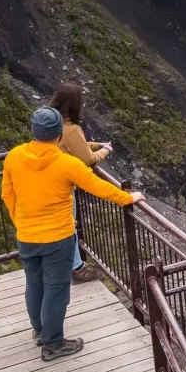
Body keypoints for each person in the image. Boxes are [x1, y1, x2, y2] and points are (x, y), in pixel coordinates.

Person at [1, 107, 144, 362]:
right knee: (56, 289)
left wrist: (20, 222)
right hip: (57, 238)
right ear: (58, 134)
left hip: (26, 236)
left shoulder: (14, 156)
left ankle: (40, 332)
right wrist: (127, 198)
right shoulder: (66, 163)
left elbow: (7, 194)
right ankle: (53, 344)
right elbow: (98, 186)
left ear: (34, 131)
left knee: (34, 284)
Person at [48, 82, 112, 281]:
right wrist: (105, 150)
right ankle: (77, 267)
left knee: (57, 227)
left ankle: (61, 263)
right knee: (69, 227)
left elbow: (73, 145)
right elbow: (86, 159)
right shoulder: (72, 129)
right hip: (64, 187)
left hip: (48, 181)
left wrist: (95, 144)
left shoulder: (52, 122)